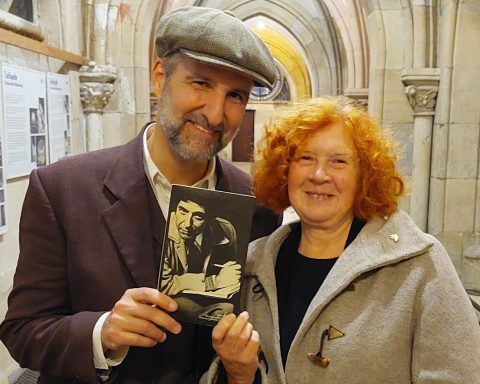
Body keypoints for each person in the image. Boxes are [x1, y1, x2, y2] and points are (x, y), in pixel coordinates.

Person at [0, 6, 281, 384]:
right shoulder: (63, 189)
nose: (215, 115)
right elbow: (22, 330)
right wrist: (103, 332)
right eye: (200, 84)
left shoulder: (257, 204)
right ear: (159, 75)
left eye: (235, 95)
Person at [206, 97, 480, 383]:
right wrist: (240, 374)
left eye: (338, 161)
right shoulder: (251, 267)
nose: (319, 175)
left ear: (365, 176)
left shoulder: (422, 266)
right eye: (305, 158)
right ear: (285, 170)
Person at [160, 198, 241, 323]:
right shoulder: (162, 228)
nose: (187, 224)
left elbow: (232, 270)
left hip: (212, 299)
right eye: (183, 211)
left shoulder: (226, 231)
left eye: (198, 217)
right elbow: (164, 285)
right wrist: (215, 281)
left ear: (210, 218)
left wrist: (234, 274)